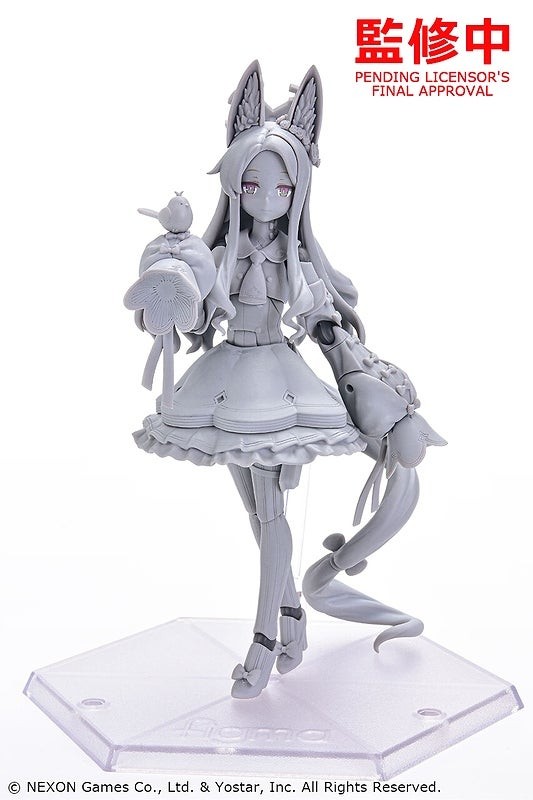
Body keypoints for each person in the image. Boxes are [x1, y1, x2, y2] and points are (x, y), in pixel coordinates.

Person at [126, 62, 445, 699]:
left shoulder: (294, 261)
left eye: (281, 188)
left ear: (297, 192)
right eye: (253, 184)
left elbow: (319, 314)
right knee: (258, 511)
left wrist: (353, 362)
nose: (267, 198)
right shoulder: (222, 254)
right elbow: (197, 310)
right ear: (234, 185)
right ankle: (293, 612)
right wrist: (170, 282)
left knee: (270, 513)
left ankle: (264, 641)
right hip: (228, 382)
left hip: (278, 383)